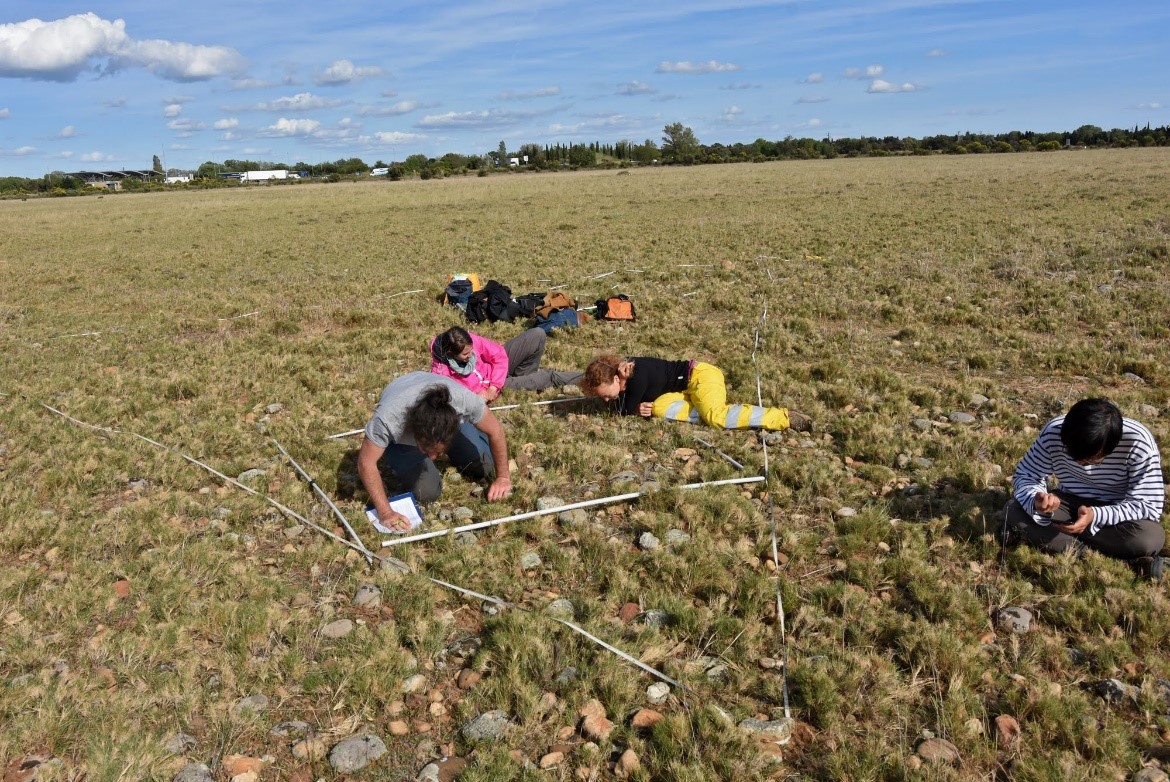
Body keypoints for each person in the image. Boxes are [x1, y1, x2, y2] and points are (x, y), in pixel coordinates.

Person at [1006, 398, 1165, 578]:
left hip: (1118, 516)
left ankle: (1068, 547)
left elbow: (1148, 506)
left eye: (1089, 459)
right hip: (1068, 505)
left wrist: (1096, 516)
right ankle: (1119, 559)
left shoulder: (1138, 442)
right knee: (1014, 509)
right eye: (1070, 453)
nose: (1079, 463)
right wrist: (1038, 499)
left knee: (1149, 537)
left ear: (1112, 446)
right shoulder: (1054, 432)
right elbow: (1026, 475)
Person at [357, 373, 512, 531]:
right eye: (427, 450)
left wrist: (503, 477)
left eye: (438, 452)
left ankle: (460, 439)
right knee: (426, 492)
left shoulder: (464, 401)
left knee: (484, 466)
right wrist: (386, 513)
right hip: (400, 410)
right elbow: (366, 463)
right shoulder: (389, 419)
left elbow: (496, 431)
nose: (432, 458)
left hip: (440, 405)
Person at [579, 354, 813, 432]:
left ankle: (784, 418)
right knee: (657, 408)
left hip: (702, 376)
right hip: (685, 389)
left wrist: (631, 408)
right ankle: (701, 409)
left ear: (616, 378)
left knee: (715, 417)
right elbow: (628, 407)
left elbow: (625, 410)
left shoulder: (638, 378)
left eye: (607, 393)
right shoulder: (629, 380)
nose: (607, 399)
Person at [430, 325, 583, 402]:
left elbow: (498, 354)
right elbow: (456, 400)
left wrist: (494, 383)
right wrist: (479, 396)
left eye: (471, 351)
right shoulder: (441, 375)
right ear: (451, 354)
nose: (471, 356)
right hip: (495, 390)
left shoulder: (464, 339)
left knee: (537, 334)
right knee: (549, 377)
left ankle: (527, 383)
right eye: (465, 354)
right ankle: (589, 378)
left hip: (495, 379)